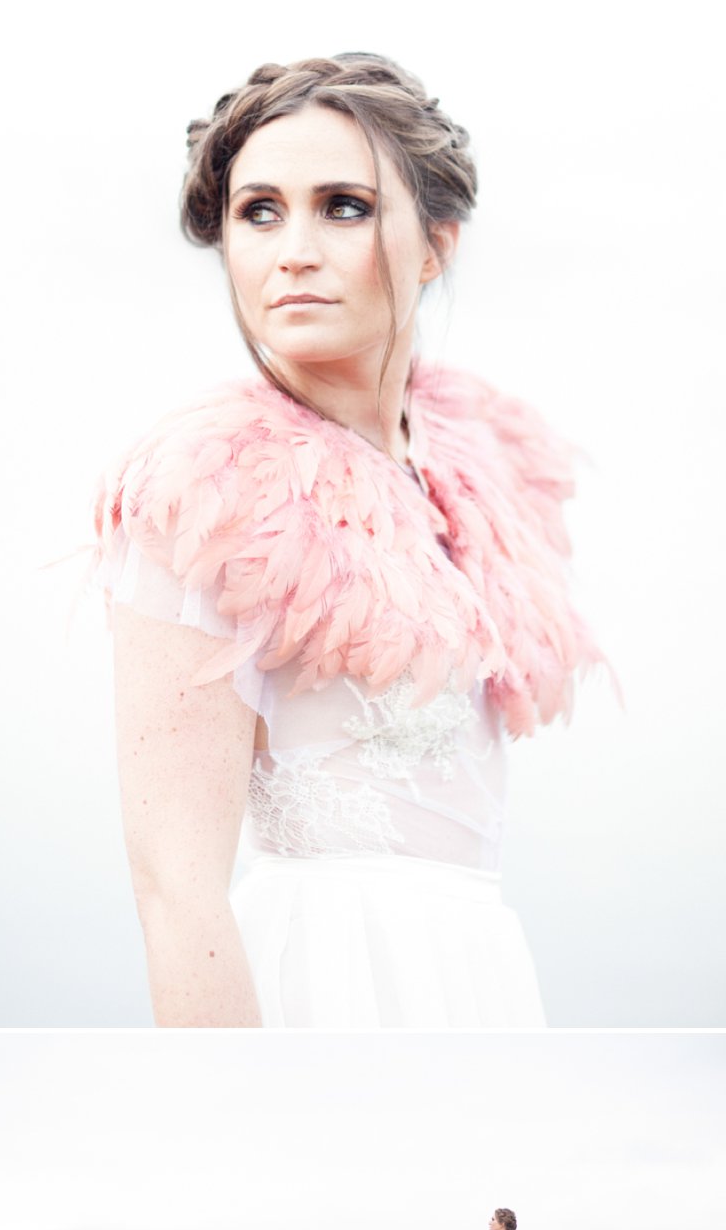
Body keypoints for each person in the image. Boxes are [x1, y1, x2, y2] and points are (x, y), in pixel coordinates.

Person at [91, 52, 605, 1030]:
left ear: (435, 244)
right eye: (258, 211)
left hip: (473, 974)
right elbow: (175, 888)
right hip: (321, 984)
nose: (293, 250)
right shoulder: (207, 491)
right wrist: (235, 1107)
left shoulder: (475, 478)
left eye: (343, 207)